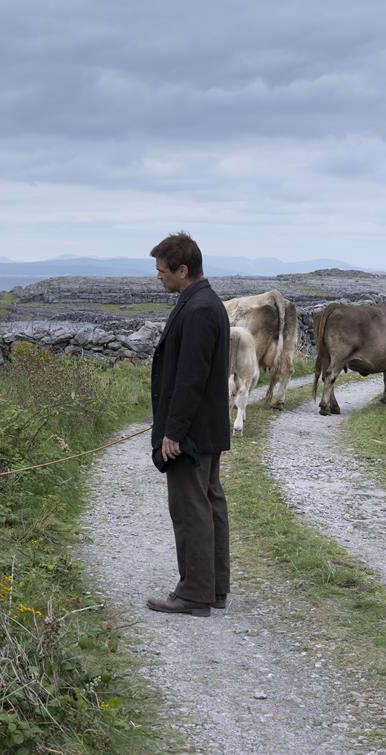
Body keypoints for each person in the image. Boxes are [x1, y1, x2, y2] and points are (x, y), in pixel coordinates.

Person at [145, 232, 231, 618]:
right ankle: (214, 588)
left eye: (163, 271)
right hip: (206, 429)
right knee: (209, 504)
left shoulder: (198, 310)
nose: (158, 276)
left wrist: (173, 431)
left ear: (184, 270)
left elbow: (191, 378)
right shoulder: (205, 302)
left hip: (191, 433)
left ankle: (195, 592)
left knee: (191, 508)